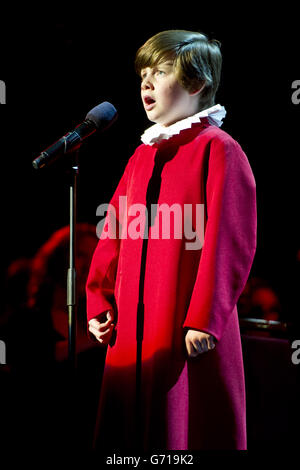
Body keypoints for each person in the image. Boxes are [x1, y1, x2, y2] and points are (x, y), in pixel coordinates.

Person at [86, 30, 257, 451]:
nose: (146, 83)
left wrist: (205, 318)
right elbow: (114, 233)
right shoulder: (143, 155)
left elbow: (229, 241)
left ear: (196, 84)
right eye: (143, 73)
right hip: (132, 325)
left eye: (160, 72)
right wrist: (99, 300)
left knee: (183, 428)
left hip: (184, 322)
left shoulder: (218, 149)